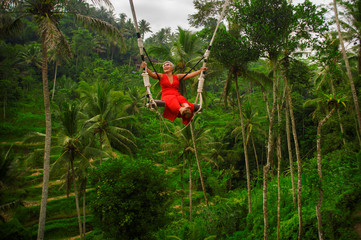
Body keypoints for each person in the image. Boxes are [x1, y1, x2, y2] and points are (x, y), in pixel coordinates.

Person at [140, 61, 207, 125]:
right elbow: (152, 74)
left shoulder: (177, 76)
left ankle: (187, 108)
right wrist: (145, 67)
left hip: (176, 94)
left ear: (172, 68)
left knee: (182, 98)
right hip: (167, 95)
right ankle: (181, 109)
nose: (165, 66)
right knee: (172, 98)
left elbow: (189, 75)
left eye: (167, 65)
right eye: (164, 65)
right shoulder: (161, 76)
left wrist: (200, 71)